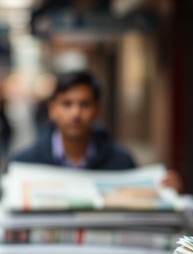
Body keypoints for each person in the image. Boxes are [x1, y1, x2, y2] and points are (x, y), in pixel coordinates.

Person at [9, 71, 183, 192]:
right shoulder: (23, 162)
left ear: (97, 110)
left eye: (84, 104)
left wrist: (168, 193)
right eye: (67, 104)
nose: (75, 113)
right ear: (52, 110)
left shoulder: (121, 161)